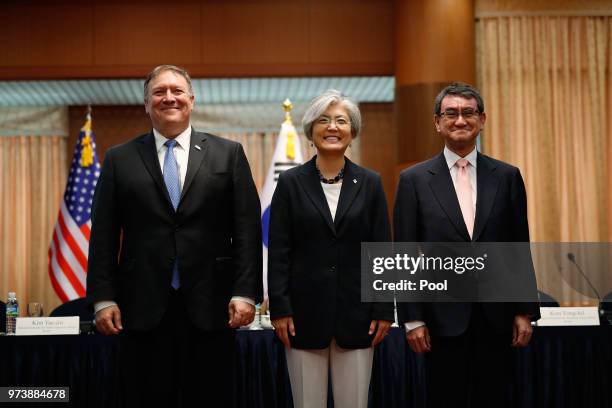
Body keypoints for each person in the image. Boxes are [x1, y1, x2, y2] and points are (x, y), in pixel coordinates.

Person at [86, 65, 262, 407]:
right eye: (159, 92)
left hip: (213, 306)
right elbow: (104, 235)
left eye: (177, 91)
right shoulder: (119, 158)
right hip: (142, 308)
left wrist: (245, 292)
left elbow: (247, 229)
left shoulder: (229, 153)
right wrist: (103, 298)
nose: (169, 97)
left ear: (192, 100)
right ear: (146, 105)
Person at [393, 82, 540, 408]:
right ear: (437, 122)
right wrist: (412, 318)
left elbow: (518, 245)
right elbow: (402, 253)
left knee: (497, 397)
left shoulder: (507, 176)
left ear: (482, 119)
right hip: (440, 320)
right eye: (451, 113)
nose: (460, 120)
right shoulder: (413, 180)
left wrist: (524, 309)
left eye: (468, 113)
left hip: (497, 317)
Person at [268, 89, 394, 408]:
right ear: (311, 131)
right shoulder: (290, 183)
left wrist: (383, 308)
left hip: (359, 316)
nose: (332, 127)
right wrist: (281, 309)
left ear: (353, 131)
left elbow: (381, 250)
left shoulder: (371, 183)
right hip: (302, 317)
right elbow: (279, 251)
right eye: (323, 120)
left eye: (341, 120)